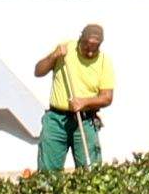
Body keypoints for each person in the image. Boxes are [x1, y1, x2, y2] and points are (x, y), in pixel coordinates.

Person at [31, 22, 113, 174]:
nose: (90, 52)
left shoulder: (103, 61)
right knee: (48, 173)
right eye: (87, 46)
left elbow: (107, 98)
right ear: (80, 39)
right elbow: (38, 71)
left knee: (90, 171)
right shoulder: (65, 50)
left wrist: (84, 102)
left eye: (95, 47)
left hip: (85, 120)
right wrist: (53, 56)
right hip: (56, 120)